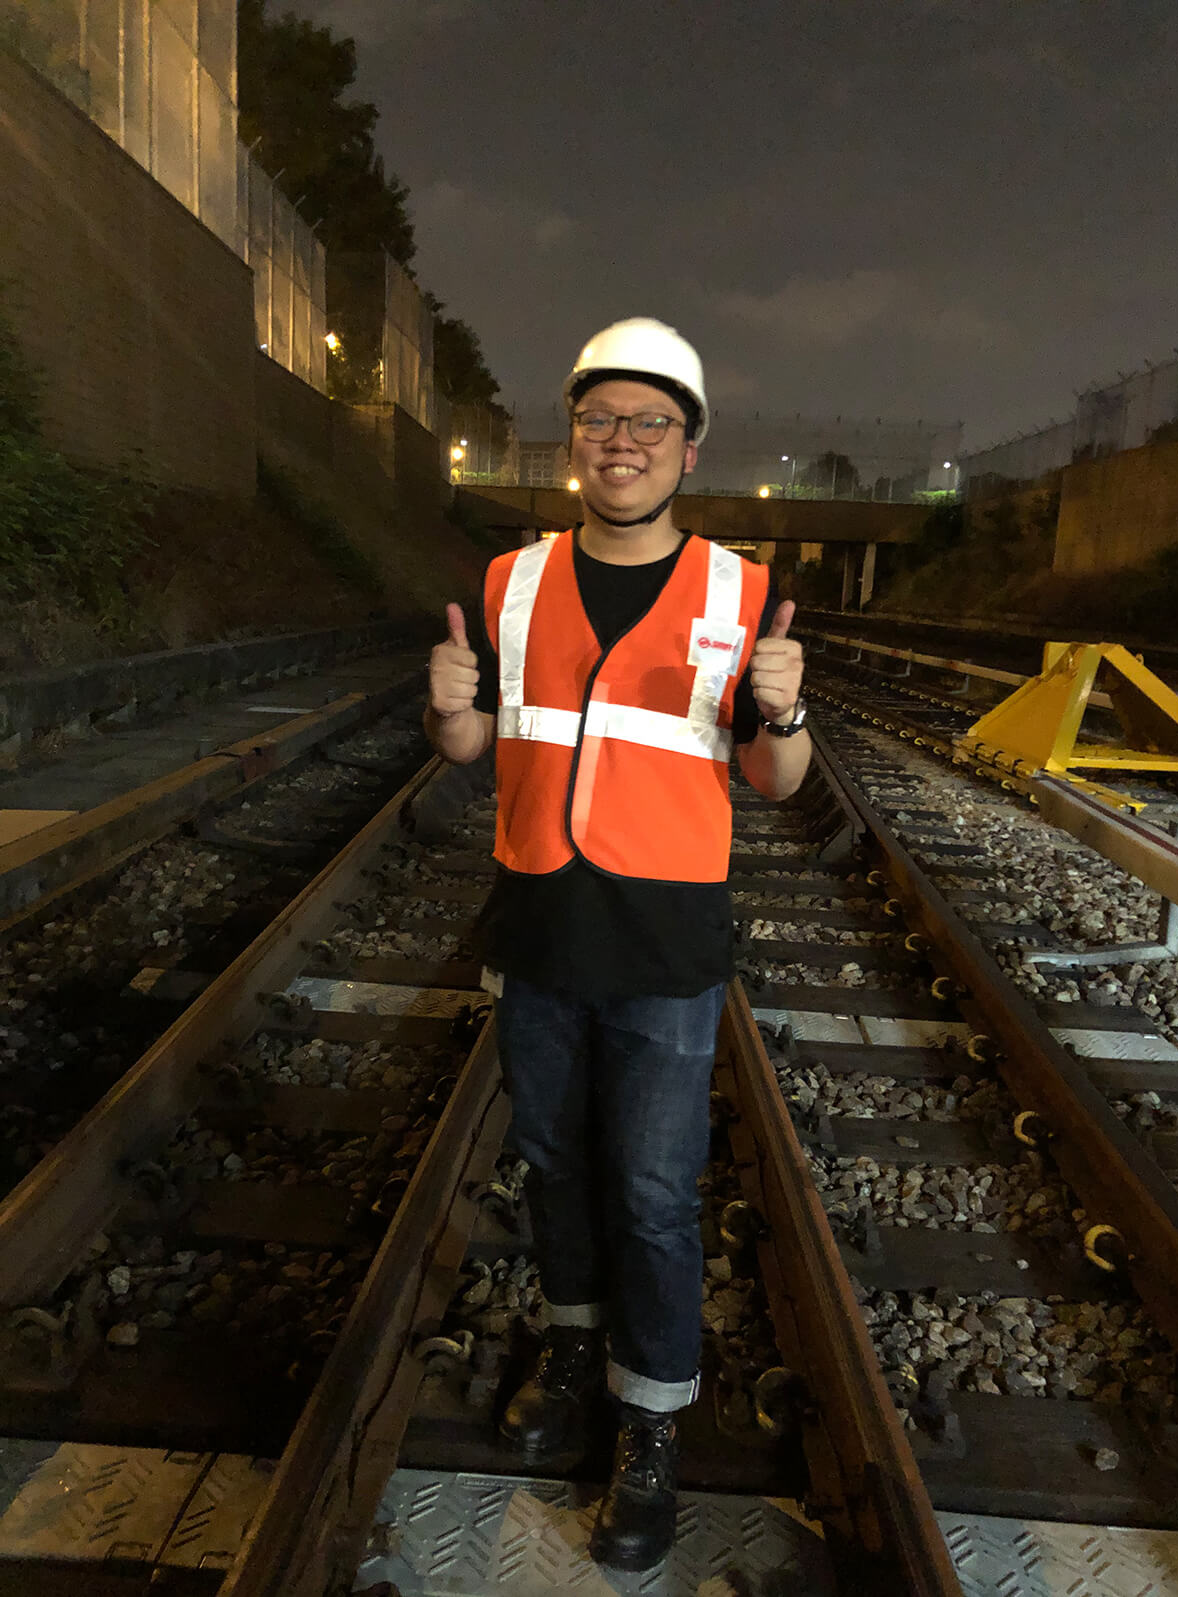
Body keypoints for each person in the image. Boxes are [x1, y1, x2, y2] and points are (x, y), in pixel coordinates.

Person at [424, 317, 809, 1571]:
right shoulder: (509, 580)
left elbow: (779, 779)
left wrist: (786, 706)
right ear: (572, 437)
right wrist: (449, 715)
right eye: (601, 420)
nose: (621, 442)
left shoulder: (742, 593)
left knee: (650, 1195)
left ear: (689, 449)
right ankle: (577, 1350)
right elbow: (481, 751)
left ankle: (652, 1425)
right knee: (551, 1164)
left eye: (649, 422)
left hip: (662, 943)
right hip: (539, 924)